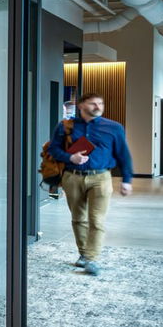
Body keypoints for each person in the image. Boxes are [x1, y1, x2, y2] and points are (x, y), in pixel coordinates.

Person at [48, 92, 133, 276]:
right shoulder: (65, 126)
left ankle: (91, 258)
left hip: (101, 178)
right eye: (93, 103)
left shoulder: (114, 128)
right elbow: (53, 149)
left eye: (100, 103)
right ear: (81, 106)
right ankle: (83, 254)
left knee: (97, 220)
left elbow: (123, 154)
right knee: (79, 218)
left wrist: (127, 180)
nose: (98, 106)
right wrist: (70, 156)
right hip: (73, 176)